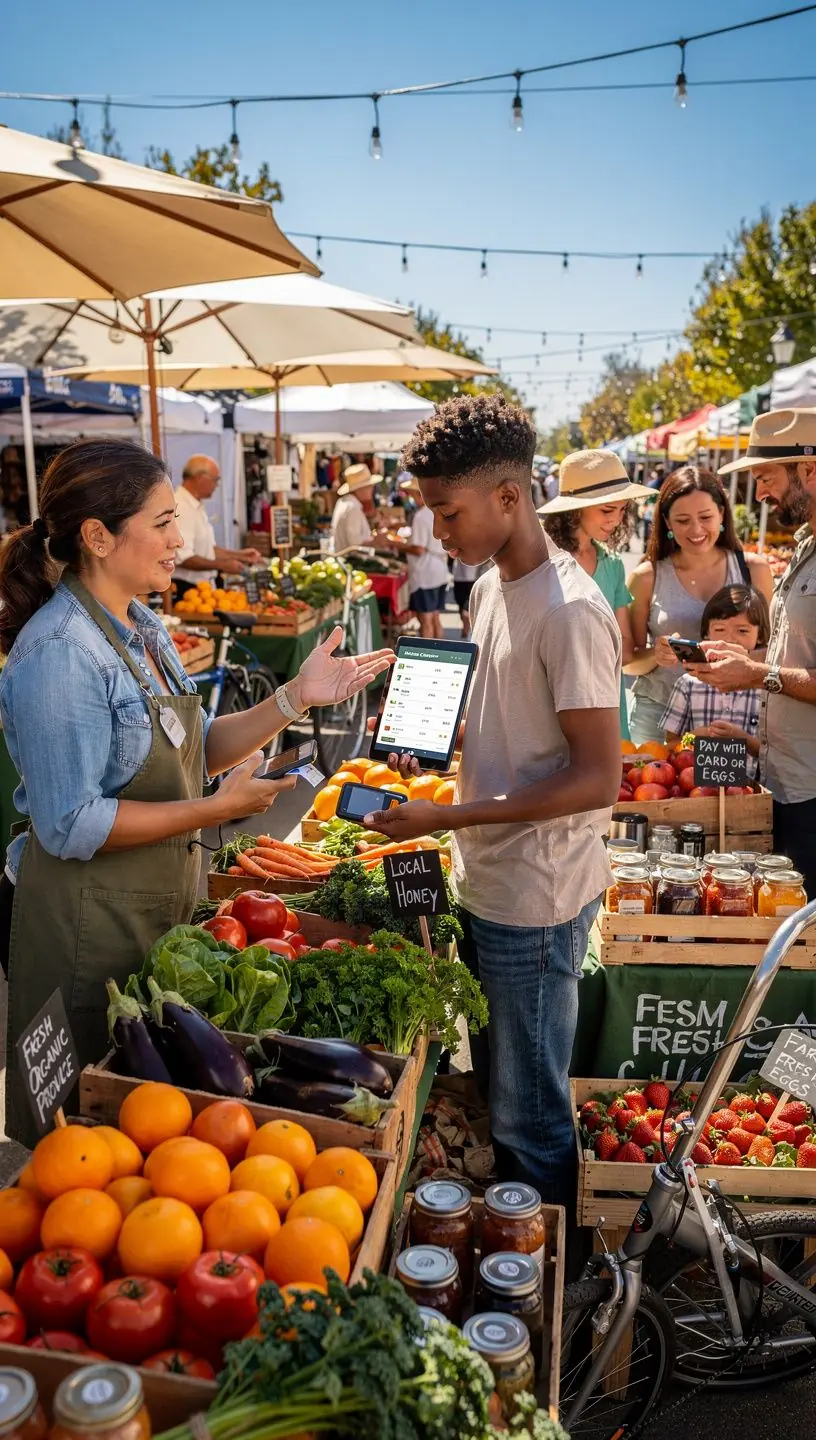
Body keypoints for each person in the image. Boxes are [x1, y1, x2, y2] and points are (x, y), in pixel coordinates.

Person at [0, 439, 394, 1146]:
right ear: (98, 536)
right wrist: (214, 811)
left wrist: (294, 697)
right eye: (161, 522)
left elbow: (201, 744)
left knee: (152, 1139)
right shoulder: (59, 653)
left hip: (157, 920)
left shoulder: (144, 628)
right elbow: (68, 823)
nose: (179, 540)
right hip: (88, 935)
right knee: (83, 1147)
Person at [362, 394, 621, 1207]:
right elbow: (507, 722)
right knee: (496, 1089)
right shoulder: (486, 592)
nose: (437, 534)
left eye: (447, 513)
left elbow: (595, 779)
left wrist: (449, 817)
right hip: (488, 877)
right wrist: (434, 741)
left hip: (536, 899)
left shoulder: (573, 611)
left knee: (527, 1117)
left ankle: (555, 1294)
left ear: (509, 497)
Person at [694, 409, 816, 895]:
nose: (760, 493)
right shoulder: (806, 545)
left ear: (809, 469)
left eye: (766, 478)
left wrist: (757, 674)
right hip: (783, 783)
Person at [628, 465, 773, 745]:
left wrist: (739, 659)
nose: (696, 530)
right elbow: (628, 664)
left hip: (737, 717)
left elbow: (772, 651)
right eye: (682, 520)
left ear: (722, 514)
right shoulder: (646, 577)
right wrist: (655, 655)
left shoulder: (754, 570)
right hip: (658, 716)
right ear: (667, 523)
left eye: (705, 517)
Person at [539, 448, 653, 741]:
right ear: (575, 509)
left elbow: (625, 651)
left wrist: (659, 653)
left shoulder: (612, 565)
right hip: (550, 704)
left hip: (606, 701)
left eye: (622, 509)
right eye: (606, 510)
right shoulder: (539, 561)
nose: (616, 520)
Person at [660, 583, 770, 776]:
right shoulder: (688, 685)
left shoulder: (766, 686)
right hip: (696, 791)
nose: (729, 639)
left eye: (742, 631)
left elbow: (774, 756)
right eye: (720, 629)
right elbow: (669, 748)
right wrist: (695, 737)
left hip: (750, 793)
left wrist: (742, 739)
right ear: (706, 634)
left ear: (760, 635)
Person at [174, 455, 263, 592]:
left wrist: (240, 555)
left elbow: (208, 550)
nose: (217, 485)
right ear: (200, 478)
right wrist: (222, 565)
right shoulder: (181, 508)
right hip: (187, 590)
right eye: (216, 480)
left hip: (202, 588)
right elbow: (184, 558)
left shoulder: (195, 505)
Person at [395, 475, 450, 639]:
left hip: (425, 572)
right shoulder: (438, 511)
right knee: (434, 617)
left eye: (413, 494)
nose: (411, 498)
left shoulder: (421, 515)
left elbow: (418, 549)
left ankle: (428, 659)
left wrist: (397, 545)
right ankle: (440, 655)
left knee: (426, 619)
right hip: (439, 570)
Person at [330, 463, 381, 552]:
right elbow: (354, 543)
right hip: (350, 562)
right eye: (369, 486)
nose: (372, 489)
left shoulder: (345, 502)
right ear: (359, 489)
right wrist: (376, 541)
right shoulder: (352, 507)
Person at [451, 557, 490, 639]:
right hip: (459, 577)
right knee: (462, 607)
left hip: (475, 579)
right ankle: (466, 634)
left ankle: (467, 633)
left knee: (467, 610)